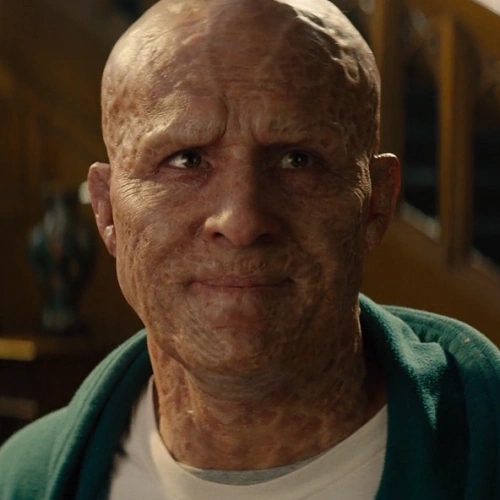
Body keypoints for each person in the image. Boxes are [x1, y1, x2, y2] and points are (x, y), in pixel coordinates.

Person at [1, 0, 500, 498]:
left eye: (297, 160)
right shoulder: (21, 481)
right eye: (186, 159)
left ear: (377, 203)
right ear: (107, 210)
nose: (241, 221)